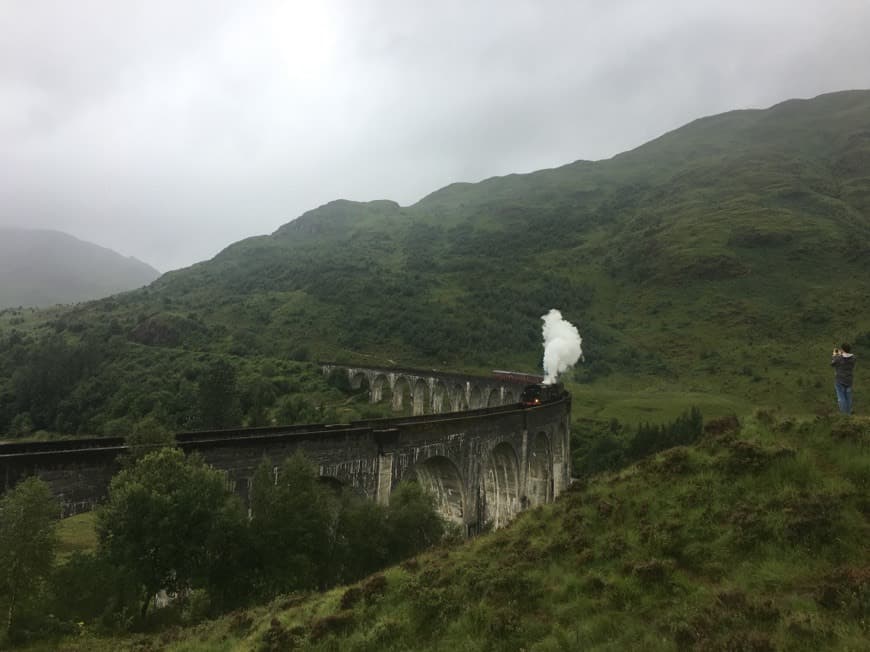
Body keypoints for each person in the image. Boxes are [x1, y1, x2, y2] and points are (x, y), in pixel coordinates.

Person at [831, 343, 856, 414]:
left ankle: (844, 415)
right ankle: (848, 414)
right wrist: (841, 354)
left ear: (842, 349)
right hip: (849, 380)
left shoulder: (838, 358)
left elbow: (833, 364)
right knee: (848, 397)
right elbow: (847, 358)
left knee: (841, 398)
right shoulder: (853, 358)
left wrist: (834, 355)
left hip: (840, 380)